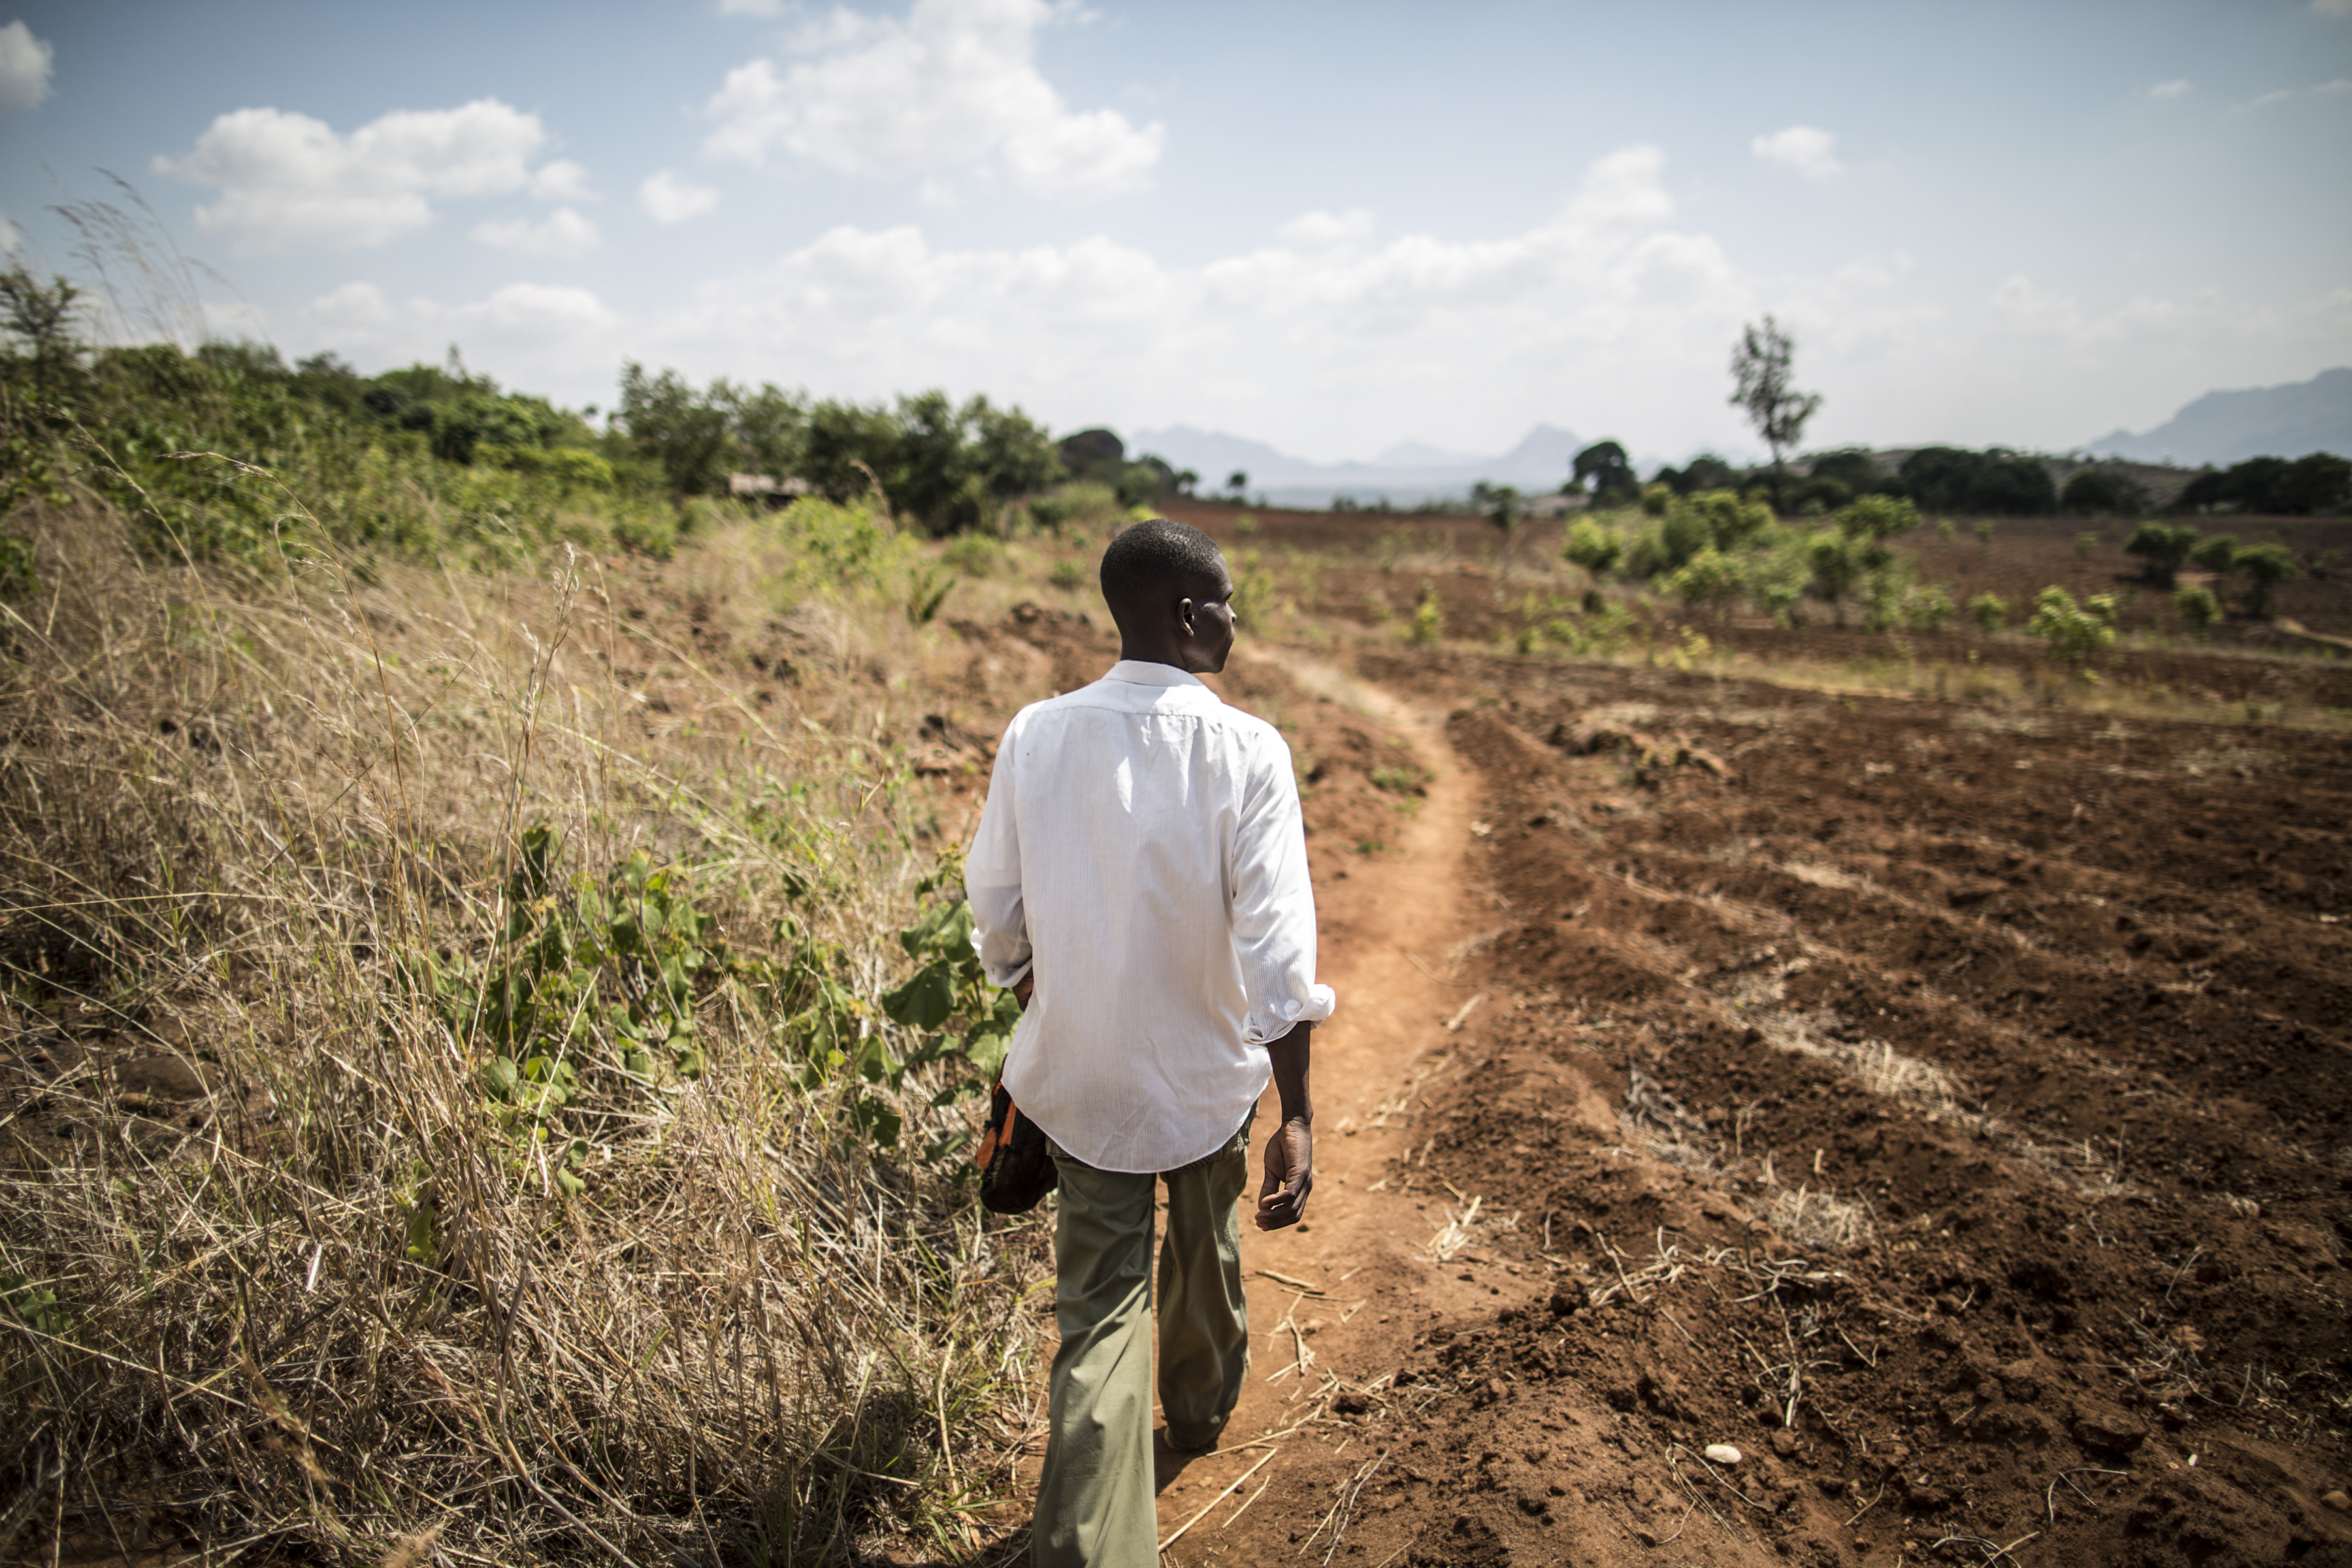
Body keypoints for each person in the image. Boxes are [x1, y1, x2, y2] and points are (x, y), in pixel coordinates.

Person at [965, 517, 1334, 1567]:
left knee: (1097, 1311)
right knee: (1207, 1241)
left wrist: (1028, 980)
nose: (1235, 619)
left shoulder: (1037, 733)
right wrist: (1298, 1113)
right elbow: (1276, 949)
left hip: (1079, 1077)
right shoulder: (1249, 750)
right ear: (1185, 615)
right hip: (1207, 1076)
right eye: (1224, 602)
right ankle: (1205, 1406)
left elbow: (996, 902)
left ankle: (1088, 1545)